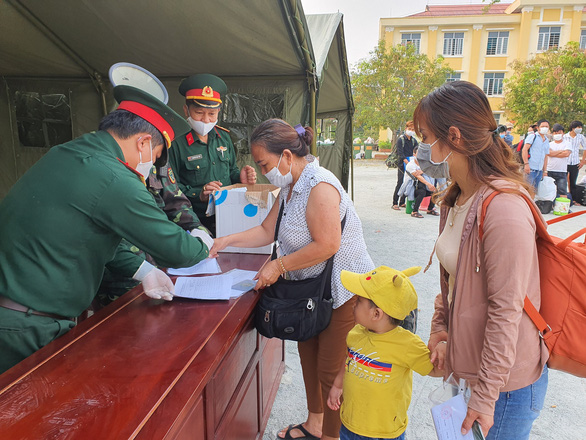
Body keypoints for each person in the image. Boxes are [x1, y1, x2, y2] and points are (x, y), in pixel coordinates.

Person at [0, 86, 213, 374]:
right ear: (144, 143)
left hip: (15, 315)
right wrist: (202, 241)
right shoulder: (115, 177)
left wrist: (144, 271)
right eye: (156, 154)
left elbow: (86, 232)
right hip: (27, 326)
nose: (151, 166)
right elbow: (176, 250)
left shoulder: (66, 153)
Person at [210, 119, 374, 440]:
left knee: (330, 371)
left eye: (264, 164)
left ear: (286, 155)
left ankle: (331, 435)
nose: (264, 170)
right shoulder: (289, 187)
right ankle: (314, 425)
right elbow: (265, 230)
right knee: (308, 357)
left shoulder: (320, 186)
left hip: (343, 291)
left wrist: (279, 266)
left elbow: (328, 244)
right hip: (310, 288)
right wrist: (227, 240)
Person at [414, 81, 549, 439]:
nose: (421, 148)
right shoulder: (457, 199)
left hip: (502, 389)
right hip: (469, 371)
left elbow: (506, 311)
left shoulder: (503, 207)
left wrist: (485, 397)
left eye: (425, 136)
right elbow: (456, 282)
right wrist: (440, 326)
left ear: (453, 137)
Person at [326, 266, 442, 440]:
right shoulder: (356, 334)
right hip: (350, 426)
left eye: (358, 301)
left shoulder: (407, 345)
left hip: (385, 433)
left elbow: (435, 369)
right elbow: (349, 361)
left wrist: (446, 349)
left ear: (376, 314)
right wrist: (337, 385)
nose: (353, 304)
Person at [97, 163, 212, 305]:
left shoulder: (157, 163)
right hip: (122, 276)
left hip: (162, 272)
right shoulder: (108, 169)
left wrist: (198, 231)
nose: (156, 157)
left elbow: (176, 202)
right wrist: (142, 270)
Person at [168, 74, 257, 233]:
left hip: (228, 214)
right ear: (186, 110)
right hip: (194, 220)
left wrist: (240, 178)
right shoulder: (175, 144)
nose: (206, 120)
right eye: (199, 112)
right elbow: (170, 188)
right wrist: (199, 194)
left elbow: (231, 171)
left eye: (212, 114)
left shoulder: (224, 138)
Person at [405, 145, 438, 218]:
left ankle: (430, 209)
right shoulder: (411, 165)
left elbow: (433, 170)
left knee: (436, 192)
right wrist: (428, 184)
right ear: (414, 155)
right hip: (412, 188)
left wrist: (422, 171)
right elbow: (418, 177)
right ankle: (414, 211)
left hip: (423, 186)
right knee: (422, 190)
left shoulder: (426, 163)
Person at [392, 121, 419, 211]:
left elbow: (416, 152)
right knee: (400, 182)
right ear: (406, 129)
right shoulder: (401, 140)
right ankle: (395, 202)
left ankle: (402, 202)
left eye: (413, 129)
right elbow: (400, 153)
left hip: (411, 164)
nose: (411, 131)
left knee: (408, 183)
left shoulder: (414, 141)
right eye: (409, 129)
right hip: (402, 164)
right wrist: (406, 162)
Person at [522, 119, 550, 191]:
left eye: (546, 126)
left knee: (534, 191)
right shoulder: (533, 137)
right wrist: (526, 164)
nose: (545, 128)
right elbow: (524, 150)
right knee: (526, 190)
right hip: (530, 169)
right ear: (538, 127)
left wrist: (544, 171)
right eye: (543, 126)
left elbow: (545, 156)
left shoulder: (546, 140)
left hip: (539, 170)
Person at [547, 123, 572, 198]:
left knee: (562, 191)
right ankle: (550, 207)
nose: (557, 134)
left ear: (563, 133)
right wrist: (561, 151)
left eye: (559, 133)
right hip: (549, 170)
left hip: (561, 171)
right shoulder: (549, 144)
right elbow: (549, 153)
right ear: (552, 134)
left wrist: (553, 153)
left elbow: (566, 154)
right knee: (549, 191)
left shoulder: (567, 143)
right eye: (555, 133)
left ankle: (562, 208)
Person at [564, 121, 586, 204]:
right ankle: (564, 197)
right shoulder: (565, 137)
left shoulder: (581, 137)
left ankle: (573, 199)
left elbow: (585, 148)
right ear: (573, 128)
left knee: (573, 181)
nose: (579, 129)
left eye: (581, 127)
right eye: (578, 127)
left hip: (575, 161)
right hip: (565, 161)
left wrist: (583, 161)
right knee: (563, 181)